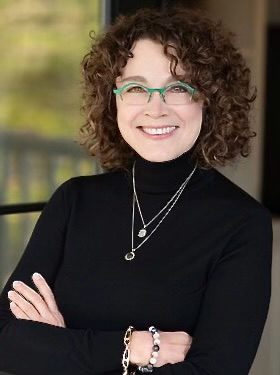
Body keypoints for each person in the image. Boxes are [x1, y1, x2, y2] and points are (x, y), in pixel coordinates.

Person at [0, 6, 272, 375]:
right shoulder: (74, 200)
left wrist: (61, 349)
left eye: (177, 87)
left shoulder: (242, 224)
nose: (154, 108)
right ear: (113, 100)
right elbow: (4, 340)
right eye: (136, 88)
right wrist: (135, 347)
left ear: (209, 98)